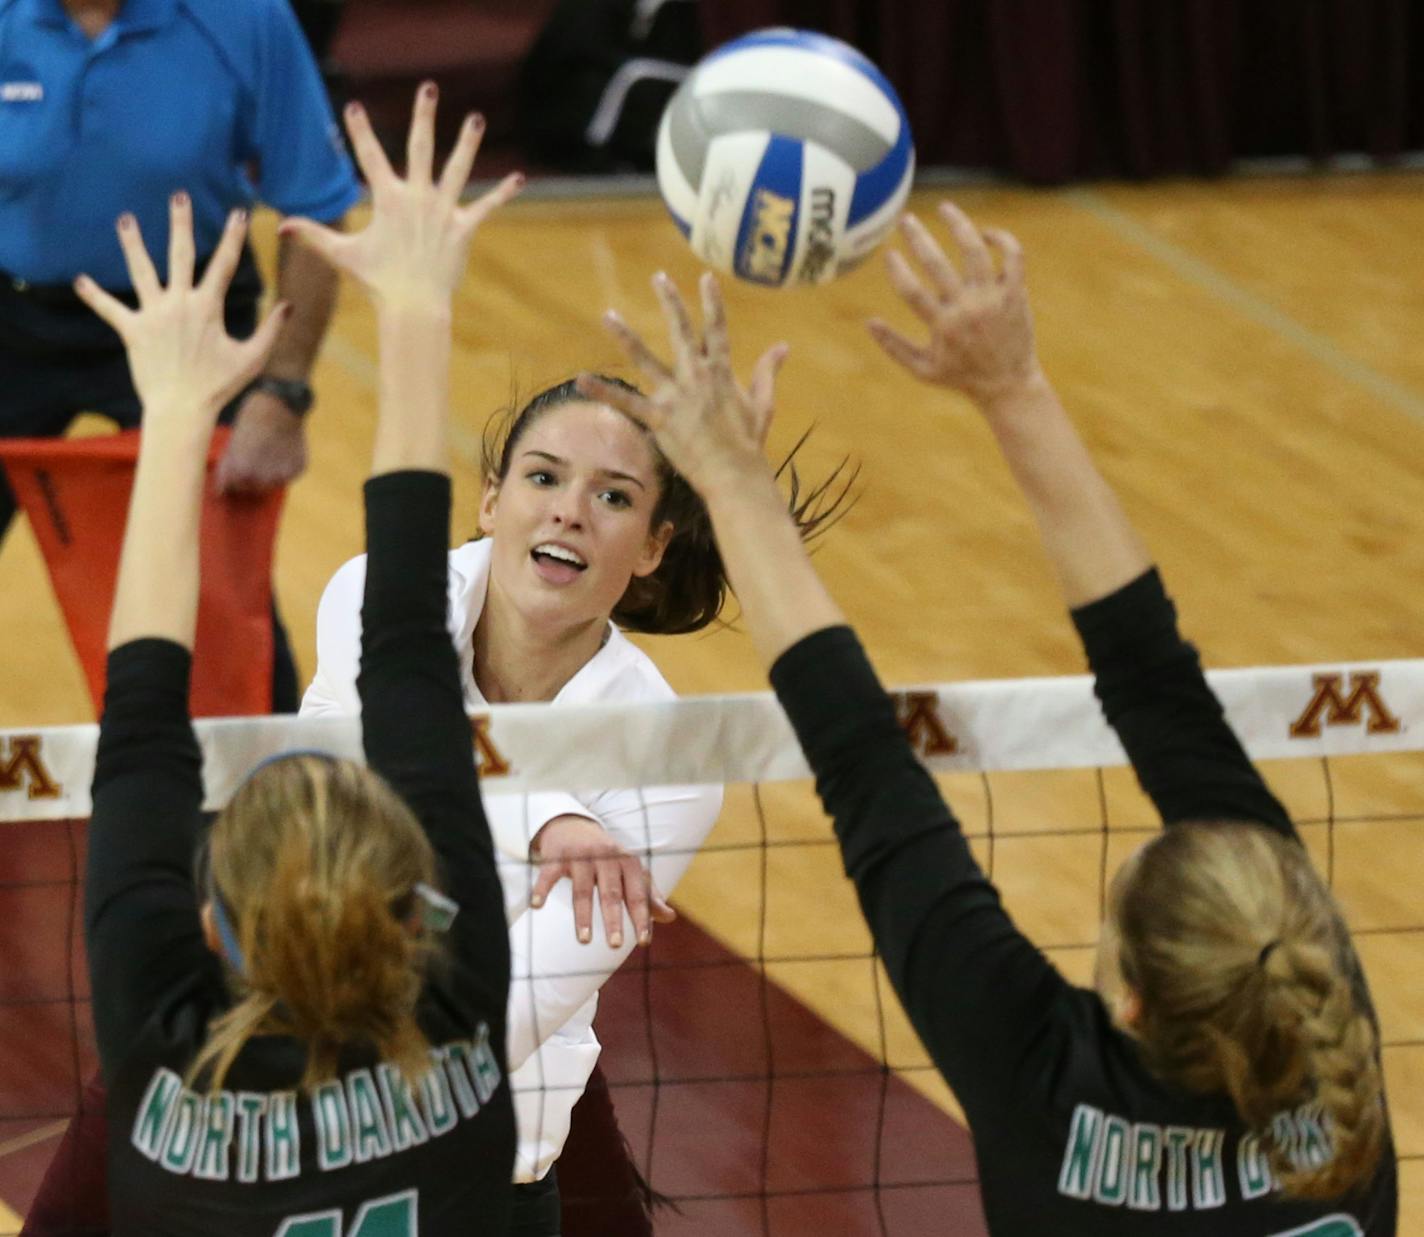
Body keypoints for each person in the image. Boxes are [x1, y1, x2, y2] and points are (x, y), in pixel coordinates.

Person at [580, 202, 1397, 1233]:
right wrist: (1002, 390)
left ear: (1132, 1002)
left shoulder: (1045, 1079)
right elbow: (870, 766)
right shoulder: (1337, 1070)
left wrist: (740, 474)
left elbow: (1139, 682)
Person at [71, 86, 521, 1233]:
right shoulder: (459, 1029)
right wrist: (416, 309)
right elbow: (411, 659)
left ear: (215, 929)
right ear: (416, 910)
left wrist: (173, 413)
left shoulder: (175, 1054)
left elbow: (406, 659)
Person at [0, 0, 360, 711]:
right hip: (13, 318)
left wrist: (282, 392)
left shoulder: (245, 19)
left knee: (220, 588)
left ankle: (267, 799)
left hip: (191, 322)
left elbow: (315, 207)